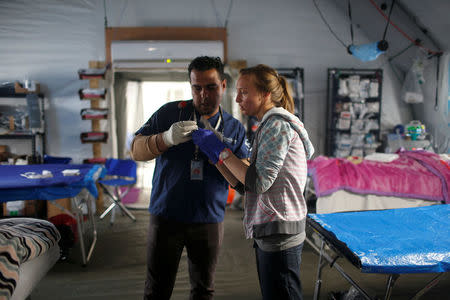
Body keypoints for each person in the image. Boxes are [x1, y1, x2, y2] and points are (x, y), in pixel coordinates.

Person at [130, 56, 249, 300]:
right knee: (156, 290)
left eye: (211, 87)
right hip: (166, 215)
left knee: (204, 290)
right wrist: (165, 139)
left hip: (208, 219)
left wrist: (221, 153)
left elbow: (244, 179)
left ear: (224, 86)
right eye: (197, 87)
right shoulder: (170, 112)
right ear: (190, 86)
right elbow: (135, 150)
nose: (204, 94)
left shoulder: (234, 127)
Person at [192, 64, 314, 300]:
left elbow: (259, 183)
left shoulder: (277, 126)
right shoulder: (266, 126)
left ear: (265, 94)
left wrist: (224, 151)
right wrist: (217, 158)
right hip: (271, 229)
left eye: (244, 92)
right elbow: (244, 185)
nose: (237, 99)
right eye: (237, 92)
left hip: (281, 231)